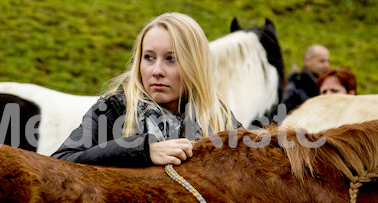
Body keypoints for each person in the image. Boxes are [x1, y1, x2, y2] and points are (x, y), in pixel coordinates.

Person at [52, 12, 241, 167]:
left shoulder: (219, 116)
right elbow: (61, 161)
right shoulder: (115, 108)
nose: (157, 71)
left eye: (171, 59)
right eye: (149, 57)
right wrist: (142, 150)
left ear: (195, 65)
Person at [282, 44, 330, 112]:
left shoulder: (327, 84)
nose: (326, 65)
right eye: (322, 61)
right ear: (307, 61)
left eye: (327, 61)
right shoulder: (294, 89)